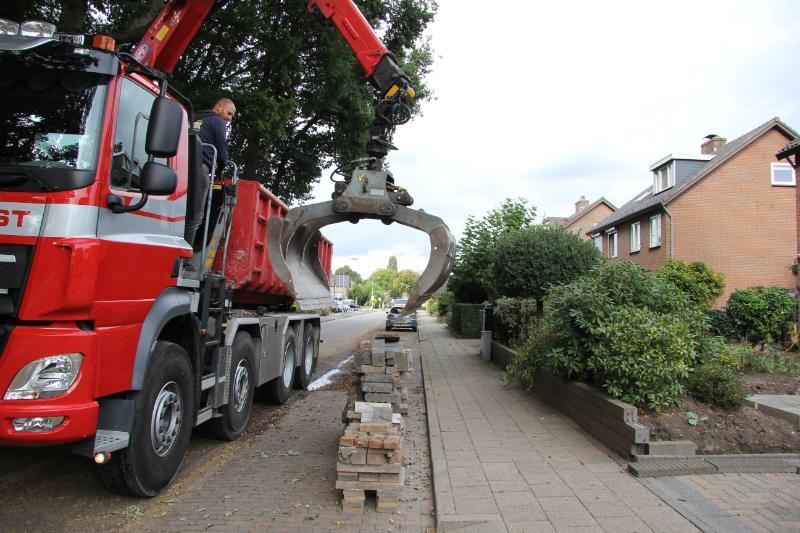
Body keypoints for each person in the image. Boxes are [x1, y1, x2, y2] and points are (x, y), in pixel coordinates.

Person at [185, 97, 236, 250]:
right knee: (195, 216)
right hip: (199, 167)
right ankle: (183, 259)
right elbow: (221, 150)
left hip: (180, 163)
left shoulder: (192, 117)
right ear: (219, 107)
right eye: (229, 113)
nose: (229, 118)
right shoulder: (218, 121)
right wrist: (221, 168)